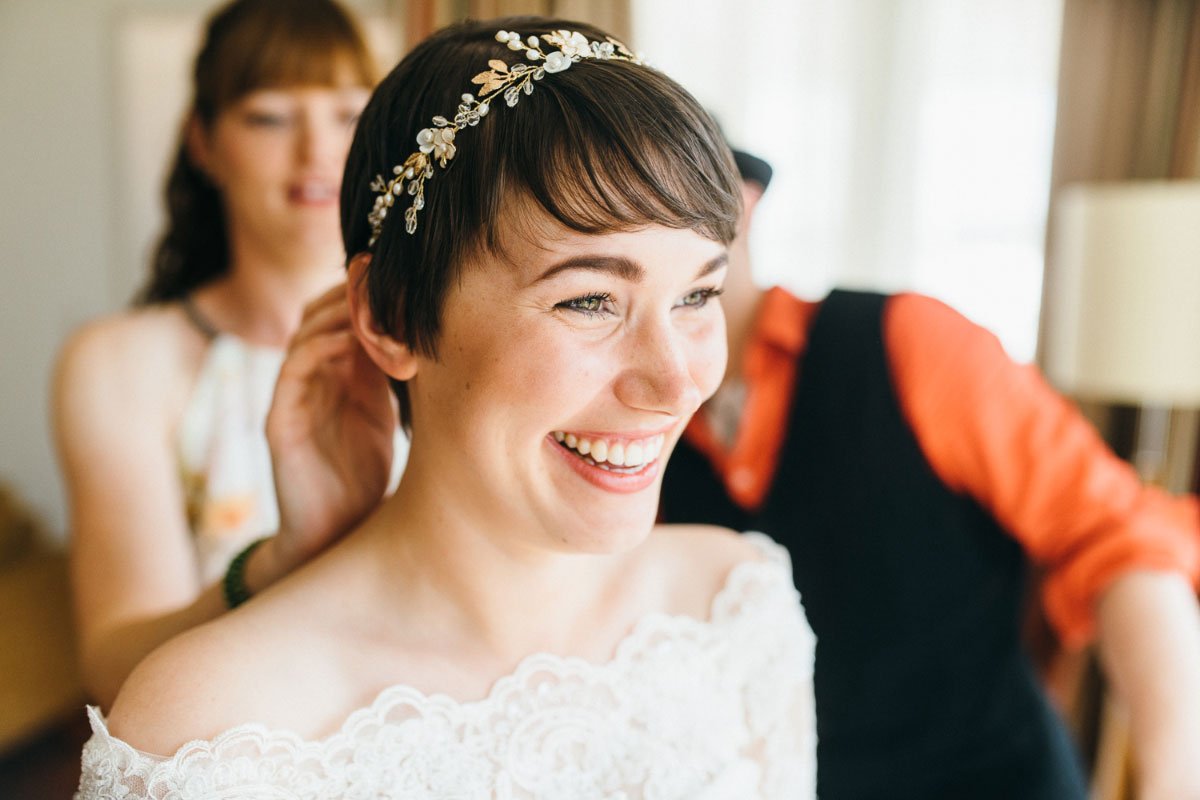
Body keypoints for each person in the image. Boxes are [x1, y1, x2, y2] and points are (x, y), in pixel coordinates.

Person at [73, 17, 818, 798]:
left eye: (698, 294)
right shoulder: (212, 735)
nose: (676, 384)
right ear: (391, 315)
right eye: (591, 299)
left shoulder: (736, 608)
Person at [659, 150, 1200, 799]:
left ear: (743, 203)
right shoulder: (635, 430)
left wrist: (1175, 780)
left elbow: (1122, 542)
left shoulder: (911, 341)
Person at [51, 0, 396, 709]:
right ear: (203, 143)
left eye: (349, 112)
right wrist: (279, 560)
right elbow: (114, 669)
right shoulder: (119, 364)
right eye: (270, 116)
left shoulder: (434, 337)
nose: (318, 153)